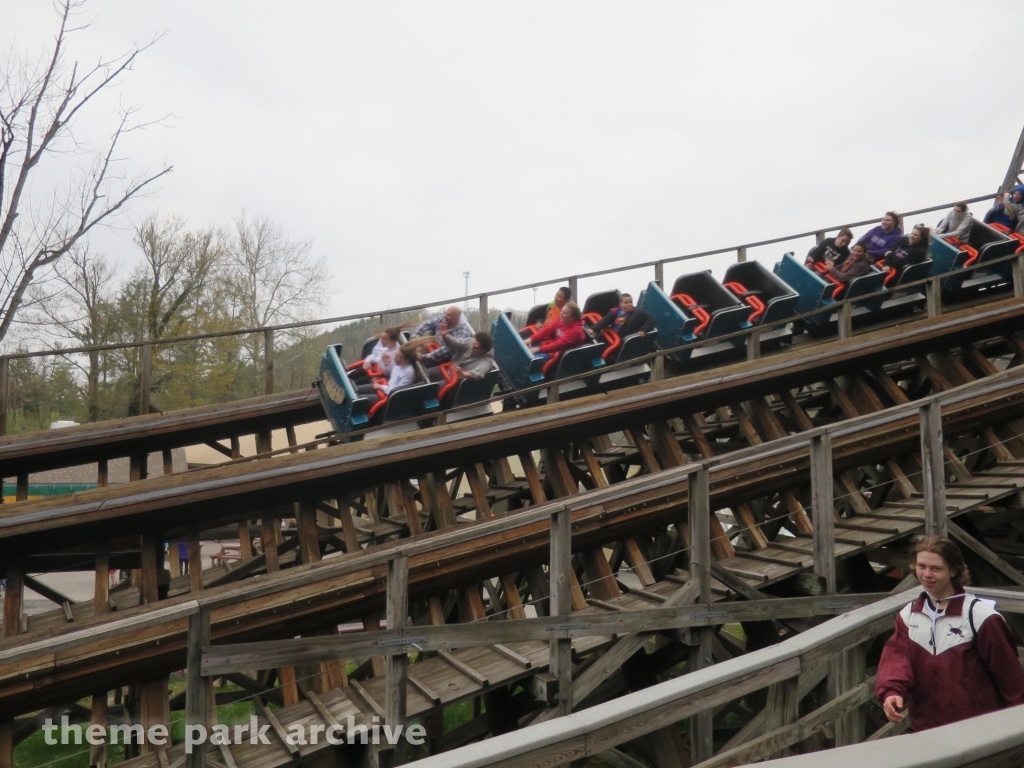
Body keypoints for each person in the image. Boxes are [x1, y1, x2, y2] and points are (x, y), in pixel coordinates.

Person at [876, 536, 1024, 731]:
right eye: (922, 566)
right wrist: (891, 692)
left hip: (977, 729)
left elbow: (1009, 677)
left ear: (954, 570)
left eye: (936, 568)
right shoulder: (909, 615)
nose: (927, 574)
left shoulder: (981, 617)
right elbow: (897, 658)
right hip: (926, 729)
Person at [426, 331, 496, 382]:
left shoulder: (487, 362)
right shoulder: (471, 342)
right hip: (449, 367)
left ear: (483, 350)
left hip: (456, 379)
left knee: (433, 389)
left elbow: (478, 373)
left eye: (475, 347)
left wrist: (463, 373)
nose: (471, 347)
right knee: (425, 373)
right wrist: (445, 336)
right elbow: (456, 343)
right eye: (472, 344)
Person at [591, 293, 655, 338]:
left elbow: (651, 319)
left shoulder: (637, 312)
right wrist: (593, 329)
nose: (629, 304)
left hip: (622, 339)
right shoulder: (615, 311)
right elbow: (604, 321)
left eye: (630, 302)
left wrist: (643, 330)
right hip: (611, 335)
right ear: (620, 304)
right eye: (626, 302)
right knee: (598, 338)